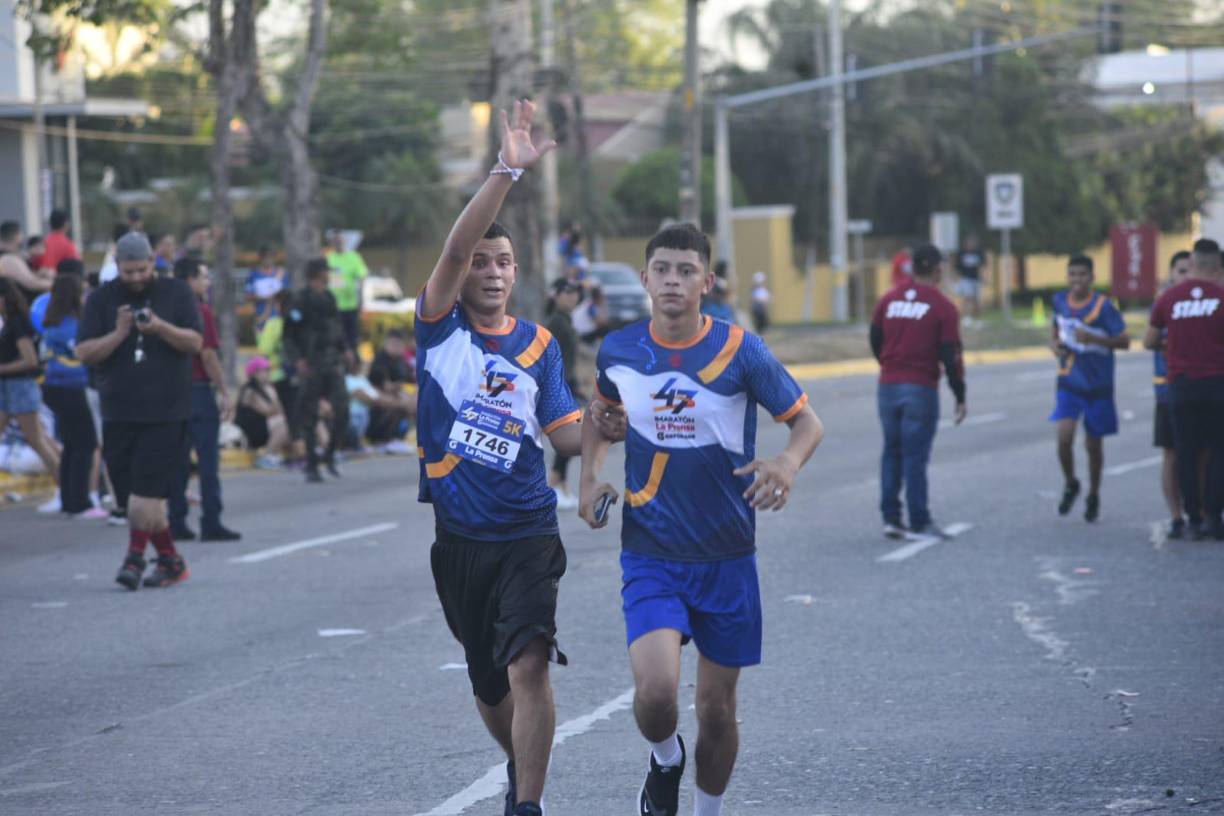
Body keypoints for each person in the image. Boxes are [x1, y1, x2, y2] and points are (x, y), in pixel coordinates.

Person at [578, 222, 823, 816]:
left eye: (686, 271)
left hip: (727, 556)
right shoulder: (620, 349)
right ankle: (665, 760)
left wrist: (787, 465)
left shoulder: (742, 351)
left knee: (716, 710)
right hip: (651, 550)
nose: (672, 280)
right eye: (662, 269)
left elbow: (807, 423)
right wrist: (589, 478)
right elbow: (601, 416)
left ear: (706, 282)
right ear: (644, 278)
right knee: (657, 693)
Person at [416, 100, 586, 816]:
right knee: (489, 687)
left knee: (528, 667)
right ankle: (522, 763)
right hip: (460, 542)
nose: (488, 270)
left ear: (517, 273)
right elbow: (453, 252)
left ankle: (527, 807)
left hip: (527, 531)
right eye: (480, 261)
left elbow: (569, 436)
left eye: (503, 261)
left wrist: (613, 427)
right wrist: (506, 170)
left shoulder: (541, 346)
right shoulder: (437, 331)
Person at [76, 232, 203, 591]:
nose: (135, 278)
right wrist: (119, 333)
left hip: (166, 412)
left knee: (145, 495)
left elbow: (195, 342)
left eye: (142, 270)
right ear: (117, 266)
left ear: (153, 263)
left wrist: (159, 327)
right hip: (119, 412)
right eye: (128, 271)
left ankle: (133, 559)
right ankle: (171, 560)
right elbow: (84, 352)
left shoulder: (176, 293)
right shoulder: (101, 299)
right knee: (132, 498)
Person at [870, 244, 967, 539]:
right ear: (938, 269)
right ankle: (920, 520)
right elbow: (949, 354)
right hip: (920, 387)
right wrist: (959, 394)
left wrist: (889, 365)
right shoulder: (943, 307)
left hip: (888, 386)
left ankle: (891, 518)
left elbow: (875, 339)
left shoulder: (888, 300)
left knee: (892, 451)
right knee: (915, 456)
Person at [1145, 238, 1224, 541]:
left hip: (1181, 386)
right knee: (1218, 451)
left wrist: (1174, 344)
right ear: (1216, 265)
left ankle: (1192, 518)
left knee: (1186, 452)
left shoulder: (1169, 298)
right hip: (1217, 385)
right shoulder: (1221, 296)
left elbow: (1150, 341)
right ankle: (1214, 516)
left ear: (1193, 264)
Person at [1049, 255, 1129, 522]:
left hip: (1098, 383)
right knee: (1064, 436)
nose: (1076, 280)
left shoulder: (1104, 306)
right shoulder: (1060, 301)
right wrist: (1055, 345)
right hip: (1069, 380)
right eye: (1072, 274)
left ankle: (1094, 492)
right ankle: (1071, 481)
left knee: (1093, 445)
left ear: (1092, 278)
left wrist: (1093, 337)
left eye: (1082, 275)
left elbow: (1125, 341)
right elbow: (1055, 330)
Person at [168, 257, 241, 542]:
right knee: (208, 461)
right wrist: (224, 390)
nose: (207, 282)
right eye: (203, 277)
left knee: (178, 461)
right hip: (198, 391)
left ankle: (177, 519)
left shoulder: (165, 312)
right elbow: (208, 355)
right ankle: (211, 520)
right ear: (189, 280)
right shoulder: (201, 312)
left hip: (173, 394)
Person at [40, 272, 107, 519]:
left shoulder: (52, 322)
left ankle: (69, 499)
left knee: (71, 443)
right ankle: (79, 502)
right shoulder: (70, 325)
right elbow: (81, 357)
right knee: (86, 443)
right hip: (70, 386)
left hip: (54, 388)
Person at [283, 258, 350, 483]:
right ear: (316, 274)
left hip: (332, 361)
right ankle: (312, 463)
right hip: (311, 362)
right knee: (309, 415)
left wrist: (347, 350)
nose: (328, 276)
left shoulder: (329, 297)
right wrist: (297, 360)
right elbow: (288, 334)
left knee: (342, 409)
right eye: (325, 272)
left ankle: (330, 455)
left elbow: (337, 327)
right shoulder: (300, 300)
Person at [0, 278, 62, 483]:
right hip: (11, 387)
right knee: (40, 438)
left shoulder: (17, 322)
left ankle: (65, 488)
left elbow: (30, 360)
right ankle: (68, 486)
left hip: (19, 386)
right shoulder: (12, 320)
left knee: (37, 440)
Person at [1153, 251, 1193, 538]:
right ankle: (1176, 516)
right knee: (1172, 454)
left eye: (1191, 270)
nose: (1186, 276)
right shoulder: (1165, 303)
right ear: (1171, 274)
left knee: (1203, 453)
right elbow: (1152, 340)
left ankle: (1201, 512)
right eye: (1181, 270)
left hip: (1199, 388)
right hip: (1168, 390)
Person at [544, 277, 583, 509]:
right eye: (566, 292)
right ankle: (555, 484)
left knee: (572, 439)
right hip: (561, 386)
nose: (572, 296)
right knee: (568, 439)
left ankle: (562, 484)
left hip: (569, 383)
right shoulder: (557, 322)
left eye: (575, 291)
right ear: (556, 295)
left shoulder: (566, 320)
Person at [235, 356, 293, 467]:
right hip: (251, 429)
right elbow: (268, 411)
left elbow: (280, 411)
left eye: (269, 370)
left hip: (263, 425)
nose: (268, 373)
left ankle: (291, 455)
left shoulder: (267, 388)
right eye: (265, 370)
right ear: (254, 373)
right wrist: (274, 396)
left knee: (291, 425)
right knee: (285, 426)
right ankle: (266, 455)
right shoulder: (250, 390)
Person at [325, 230, 369, 353]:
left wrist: (361, 298)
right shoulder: (329, 258)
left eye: (340, 241)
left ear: (344, 242)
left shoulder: (353, 257)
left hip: (350, 305)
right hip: (334, 307)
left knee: (352, 338)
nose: (338, 243)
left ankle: (353, 364)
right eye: (335, 241)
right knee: (337, 338)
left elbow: (362, 276)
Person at [0, 221, 53, 304]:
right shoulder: (8, 259)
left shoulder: (11, 256)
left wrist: (39, 274)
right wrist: (56, 283)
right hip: (20, 309)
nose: (22, 237)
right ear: (16, 236)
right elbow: (32, 283)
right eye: (21, 234)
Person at [246, 246, 286, 332]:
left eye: (271, 256)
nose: (268, 259)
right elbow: (248, 296)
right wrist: (265, 297)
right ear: (260, 258)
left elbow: (287, 295)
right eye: (266, 257)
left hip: (279, 319)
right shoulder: (253, 275)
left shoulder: (282, 274)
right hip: (262, 319)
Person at [955, 234, 985, 326]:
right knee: (967, 298)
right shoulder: (962, 253)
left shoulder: (979, 253)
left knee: (976, 299)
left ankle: (977, 319)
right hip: (966, 279)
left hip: (976, 279)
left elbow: (983, 266)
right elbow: (957, 266)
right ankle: (965, 318)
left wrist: (983, 277)